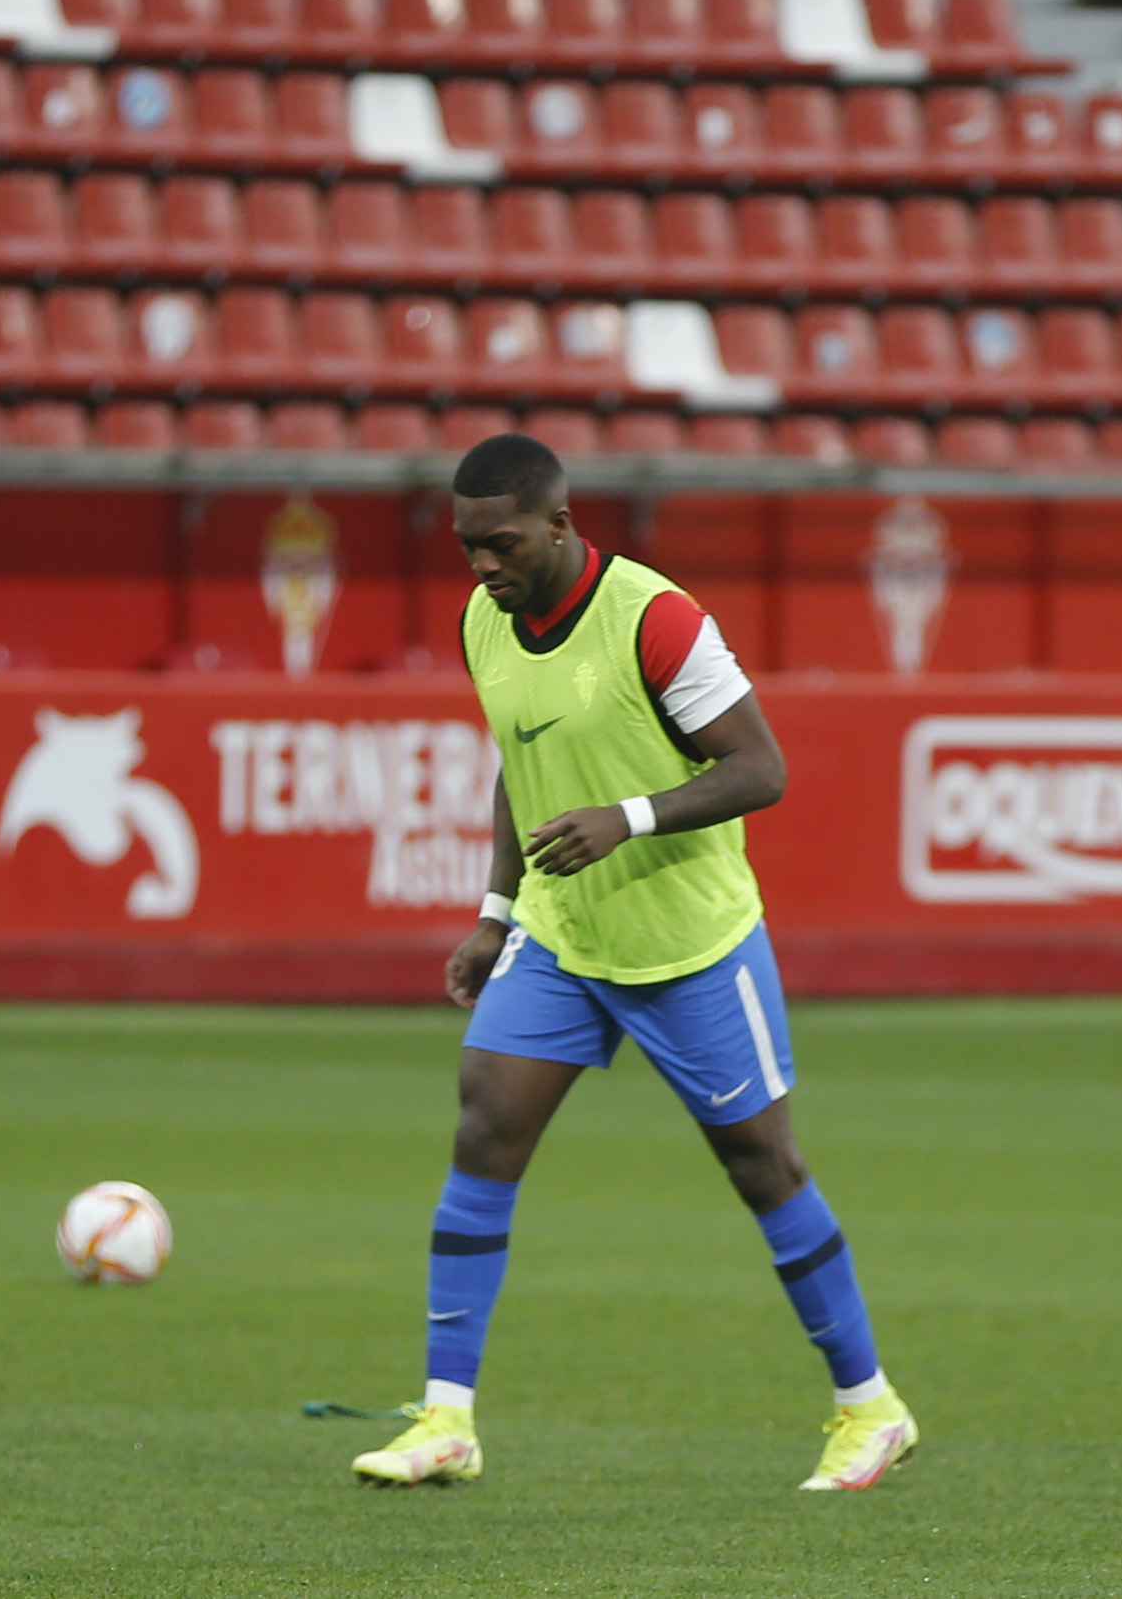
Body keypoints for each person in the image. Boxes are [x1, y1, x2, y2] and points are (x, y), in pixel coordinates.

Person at [351, 434, 915, 1492]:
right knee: (485, 1119)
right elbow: (520, 768)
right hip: (566, 934)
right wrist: (494, 911)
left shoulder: (655, 619)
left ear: (561, 525)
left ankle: (869, 1407)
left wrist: (632, 818)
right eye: (468, 547)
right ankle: (447, 1418)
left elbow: (762, 767)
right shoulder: (488, 622)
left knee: (763, 1167)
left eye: (502, 544)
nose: (483, 567)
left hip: (689, 940)